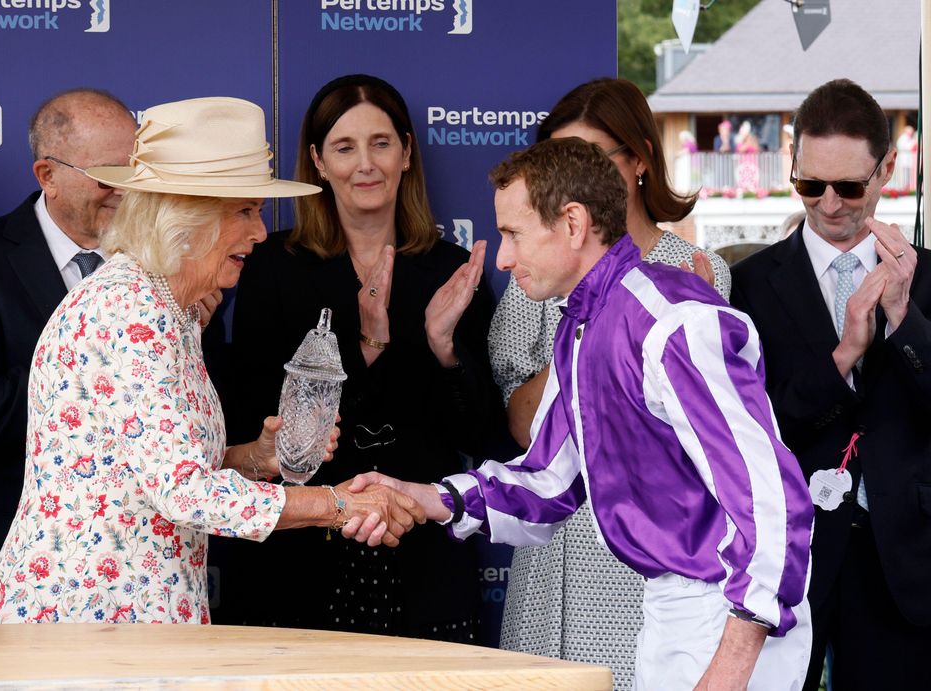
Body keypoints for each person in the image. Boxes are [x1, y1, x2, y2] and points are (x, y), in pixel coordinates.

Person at [348, 137, 815, 689]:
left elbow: (772, 499)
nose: (502, 257)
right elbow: (548, 482)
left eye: (513, 234)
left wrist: (731, 668)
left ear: (573, 224)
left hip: (728, 616)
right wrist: (426, 497)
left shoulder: (672, 321)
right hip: (672, 607)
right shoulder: (581, 326)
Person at [0, 96, 425, 625]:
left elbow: (148, 469)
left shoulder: (167, 309)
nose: (261, 232)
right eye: (244, 211)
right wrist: (337, 505)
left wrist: (258, 459)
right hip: (86, 624)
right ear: (183, 215)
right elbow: (184, 492)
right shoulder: (130, 310)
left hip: (129, 621)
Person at [211, 74, 499, 642]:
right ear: (317, 160)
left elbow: (484, 437)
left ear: (408, 152)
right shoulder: (271, 266)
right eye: (344, 147)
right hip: (296, 564)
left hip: (422, 561)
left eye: (381, 143)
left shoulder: (452, 271)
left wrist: (442, 348)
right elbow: (253, 421)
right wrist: (368, 344)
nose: (365, 164)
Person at [488, 77, 731, 690]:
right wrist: (594, 319)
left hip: (654, 568)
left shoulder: (700, 277)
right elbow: (522, 423)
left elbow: (719, 456)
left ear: (641, 159)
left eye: (594, 159)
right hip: (554, 547)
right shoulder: (538, 266)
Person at [730, 78, 931, 691]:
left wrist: (904, 319)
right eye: (809, 184)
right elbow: (752, 430)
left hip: (905, 559)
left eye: (848, 186)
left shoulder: (928, 281)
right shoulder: (751, 284)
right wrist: (842, 357)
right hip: (791, 559)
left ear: (887, 169)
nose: (829, 204)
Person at [0, 89, 139, 624]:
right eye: (108, 171)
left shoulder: (159, 262)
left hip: (133, 560)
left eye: (135, 167)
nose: (127, 188)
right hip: (11, 553)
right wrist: (99, 353)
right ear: (47, 174)